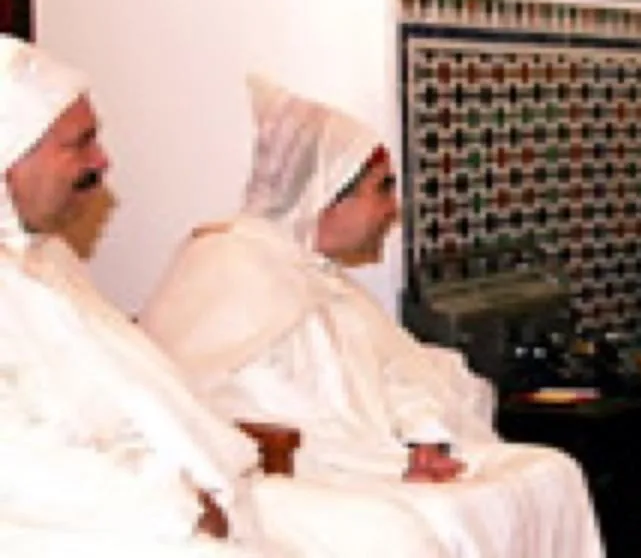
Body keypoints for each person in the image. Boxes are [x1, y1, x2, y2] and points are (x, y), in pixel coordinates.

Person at [0, 34, 446, 557]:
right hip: (75, 526)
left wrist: (206, 480)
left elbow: (146, 398)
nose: (101, 160)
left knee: (392, 534)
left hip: (185, 487)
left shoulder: (46, 263)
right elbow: (25, 467)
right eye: (79, 143)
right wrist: (176, 505)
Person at [139, 75, 606, 558]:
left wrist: (426, 438)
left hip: (379, 454)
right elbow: (219, 404)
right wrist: (386, 460)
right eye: (382, 189)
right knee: (434, 520)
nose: (392, 210)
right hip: (307, 472)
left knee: (551, 472)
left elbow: (397, 369)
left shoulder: (319, 274)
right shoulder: (228, 262)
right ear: (328, 194)